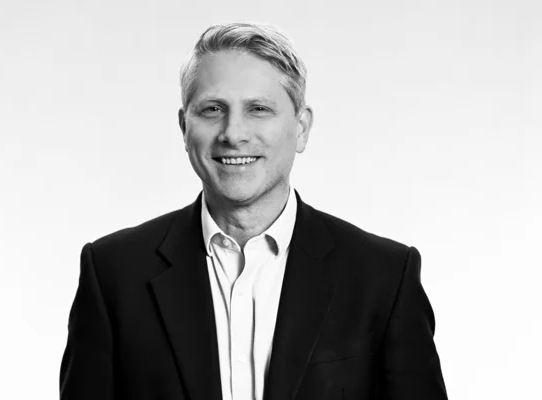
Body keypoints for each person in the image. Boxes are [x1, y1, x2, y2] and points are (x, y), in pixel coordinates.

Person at [59, 22, 448, 400]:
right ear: (184, 127)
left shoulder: (384, 278)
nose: (234, 133)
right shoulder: (113, 274)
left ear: (301, 128)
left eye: (259, 109)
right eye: (212, 109)